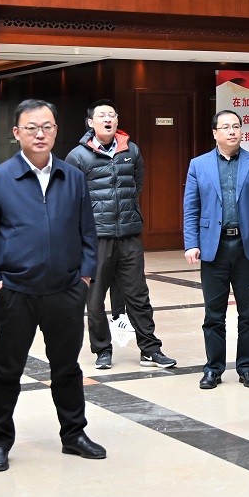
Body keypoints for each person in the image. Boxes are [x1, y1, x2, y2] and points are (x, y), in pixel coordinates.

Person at [0, 98, 104, 472]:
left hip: (65, 291)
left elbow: (88, 233)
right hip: (15, 292)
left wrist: (84, 279)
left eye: (47, 127)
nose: (40, 134)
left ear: (56, 131)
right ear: (17, 133)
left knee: (67, 368)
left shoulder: (73, 177)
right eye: (31, 128)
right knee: (6, 370)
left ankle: (74, 434)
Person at [65, 99, 176, 370]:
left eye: (112, 115)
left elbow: (137, 184)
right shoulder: (77, 156)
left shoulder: (132, 150)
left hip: (128, 235)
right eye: (102, 115)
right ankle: (102, 350)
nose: (108, 119)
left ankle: (150, 349)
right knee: (95, 299)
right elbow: (71, 198)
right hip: (96, 239)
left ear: (117, 120)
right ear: (90, 123)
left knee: (138, 295)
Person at [183, 110, 249, 389]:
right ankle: (213, 369)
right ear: (215, 133)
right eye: (226, 127)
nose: (232, 131)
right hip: (214, 247)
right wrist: (192, 243)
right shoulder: (198, 165)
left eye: (236, 126)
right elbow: (191, 208)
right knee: (214, 314)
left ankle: (247, 367)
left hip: (248, 246)